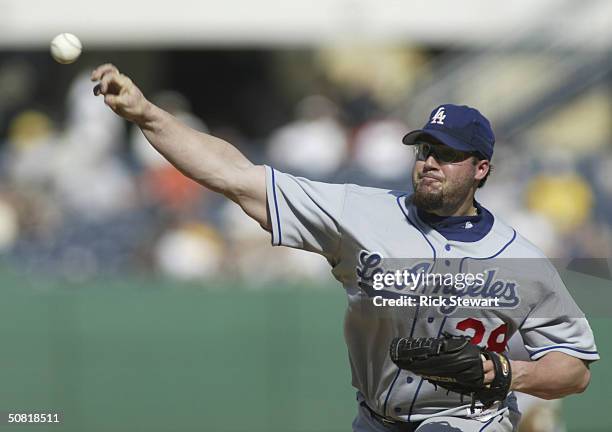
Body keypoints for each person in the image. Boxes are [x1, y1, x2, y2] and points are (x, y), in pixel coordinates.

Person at [91, 64, 598, 432]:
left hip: (470, 422)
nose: (430, 161)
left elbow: (574, 368)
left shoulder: (521, 258)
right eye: (425, 149)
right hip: (375, 419)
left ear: (480, 168)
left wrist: (507, 372)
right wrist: (146, 114)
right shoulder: (360, 215)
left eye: (447, 154)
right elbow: (236, 177)